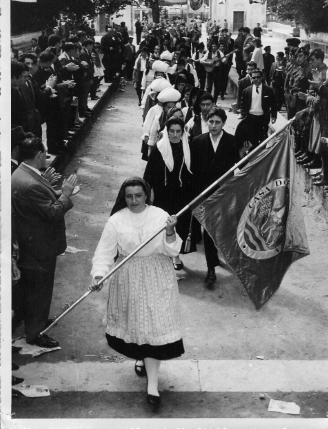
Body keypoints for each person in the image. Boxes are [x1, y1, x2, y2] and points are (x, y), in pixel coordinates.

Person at [90, 177, 184, 408]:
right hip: (129, 278)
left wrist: (170, 231)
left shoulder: (161, 216)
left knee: (154, 326)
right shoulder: (116, 220)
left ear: (147, 195)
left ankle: (153, 386)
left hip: (157, 276)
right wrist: (99, 275)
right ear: (124, 197)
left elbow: (173, 250)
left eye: (138, 195)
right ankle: (142, 359)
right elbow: (104, 252)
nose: (134, 201)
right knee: (138, 324)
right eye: (129, 196)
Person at [11, 137, 78, 347]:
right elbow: (52, 213)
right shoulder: (31, 183)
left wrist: (53, 190)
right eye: (45, 154)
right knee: (40, 291)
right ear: (39, 155)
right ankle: (35, 331)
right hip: (40, 246)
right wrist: (65, 194)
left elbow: (39, 200)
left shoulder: (21, 174)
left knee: (32, 290)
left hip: (29, 242)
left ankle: (36, 320)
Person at [191, 107, 240, 285]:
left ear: (224, 123)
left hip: (225, 193)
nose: (213, 125)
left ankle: (221, 257)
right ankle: (211, 268)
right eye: (210, 122)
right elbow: (194, 170)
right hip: (205, 194)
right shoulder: (197, 141)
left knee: (223, 229)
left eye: (217, 122)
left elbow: (239, 166)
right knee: (209, 229)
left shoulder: (232, 141)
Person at [144, 116, 196, 269]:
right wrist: (150, 195)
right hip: (162, 195)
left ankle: (175, 256)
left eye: (178, 131)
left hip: (182, 195)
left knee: (179, 226)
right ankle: (161, 257)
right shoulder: (159, 149)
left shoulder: (189, 148)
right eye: (171, 131)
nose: (175, 134)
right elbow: (149, 175)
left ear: (183, 132)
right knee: (162, 226)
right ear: (167, 131)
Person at [236, 69, 277, 151]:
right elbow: (243, 104)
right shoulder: (247, 91)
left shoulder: (268, 90)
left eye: (258, 77)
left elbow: (273, 104)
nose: (256, 79)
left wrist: (273, 116)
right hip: (251, 117)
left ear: (262, 77)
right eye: (253, 77)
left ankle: (262, 154)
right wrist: (244, 114)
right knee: (252, 137)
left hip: (263, 117)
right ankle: (253, 156)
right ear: (251, 78)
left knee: (263, 137)